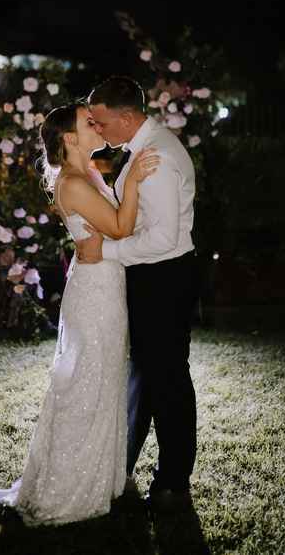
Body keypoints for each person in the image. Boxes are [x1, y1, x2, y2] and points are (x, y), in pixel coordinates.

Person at [0, 102, 159, 526]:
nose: (96, 125)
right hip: (96, 293)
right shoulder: (73, 182)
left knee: (104, 380)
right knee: (88, 381)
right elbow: (120, 227)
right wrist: (135, 178)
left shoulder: (90, 173)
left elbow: (118, 225)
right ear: (69, 138)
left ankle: (100, 476)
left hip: (105, 283)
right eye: (88, 122)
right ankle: (69, 482)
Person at [77, 76, 198, 514]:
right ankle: (122, 465)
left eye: (102, 121)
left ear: (127, 118)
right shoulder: (143, 149)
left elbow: (163, 239)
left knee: (167, 381)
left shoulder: (159, 158)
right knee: (145, 377)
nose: (98, 127)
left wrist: (105, 250)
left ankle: (173, 482)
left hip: (164, 277)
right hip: (152, 276)